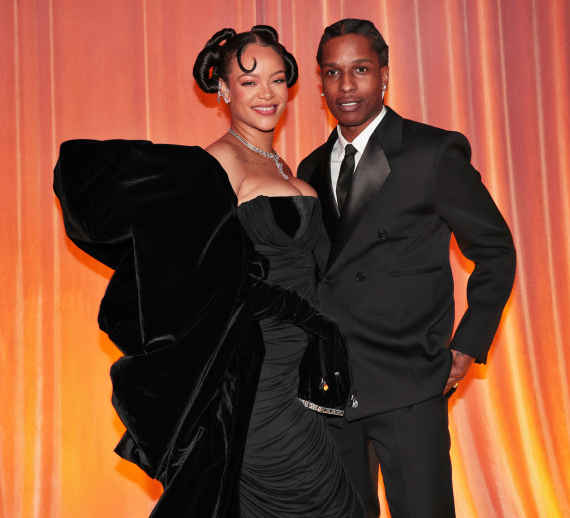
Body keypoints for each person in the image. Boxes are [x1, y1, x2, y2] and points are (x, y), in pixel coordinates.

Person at [54, 26, 362, 518]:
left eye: (277, 80)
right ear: (222, 90)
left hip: (299, 371)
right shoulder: (214, 167)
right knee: (300, 500)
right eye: (249, 81)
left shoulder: (287, 168)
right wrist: (306, 316)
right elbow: (214, 279)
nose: (267, 94)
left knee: (332, 499)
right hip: (257, 370)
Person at [297, 19, 517, 518]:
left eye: (360, 70)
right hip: (333, 386)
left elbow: (496, 250)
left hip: (408, 381)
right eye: (332, 73)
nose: (346, 86)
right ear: (320, 83)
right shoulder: (309, 169)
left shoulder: (431, 152)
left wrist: (467, 344)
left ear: (385, 75)